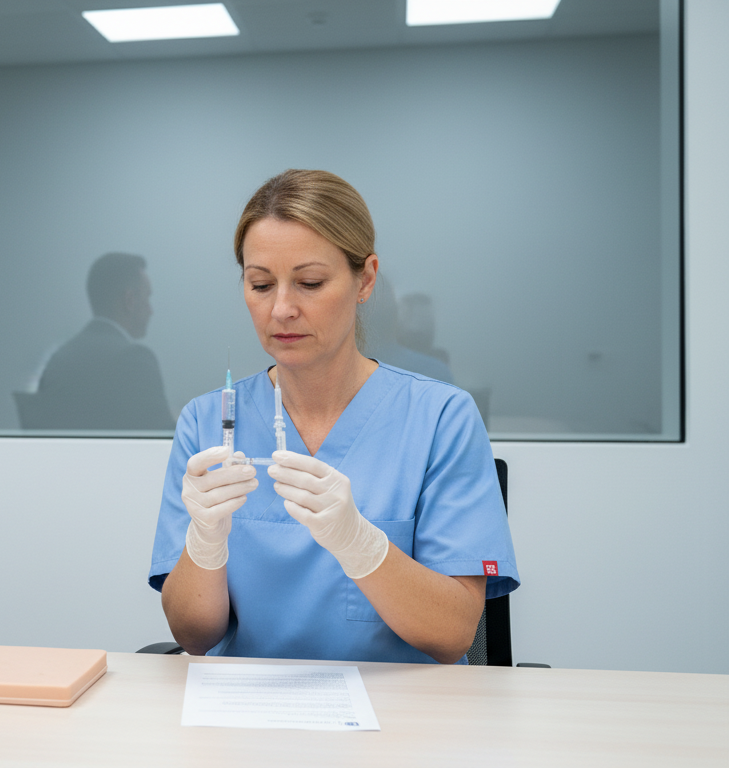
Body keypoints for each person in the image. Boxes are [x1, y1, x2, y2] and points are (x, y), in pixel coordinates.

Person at [148, 169, 517, 664]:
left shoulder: (439, 418)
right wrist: (205, 542)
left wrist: (361, 544)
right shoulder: (206, 423)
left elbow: (453, 634)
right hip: (249, 715)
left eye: (310, 283)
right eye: (260, 284)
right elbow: (193, 636)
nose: (281, 309)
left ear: (365, 279)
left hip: (403, 720)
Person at [34, 252, 174, 430]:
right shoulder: (134, 359)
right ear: (129, 300)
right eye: (147, 298)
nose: (151, 310)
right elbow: (162, 439)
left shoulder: (58, 361)